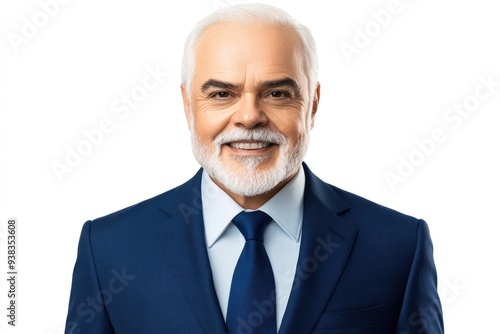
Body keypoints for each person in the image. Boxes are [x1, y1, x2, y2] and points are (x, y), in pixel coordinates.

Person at [65, 4, 443, 333]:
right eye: (221, 94)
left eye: (277, 93)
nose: (248, 117)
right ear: (187, 105)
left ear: (312, 103)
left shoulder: (398, 246)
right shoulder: (109, 249)